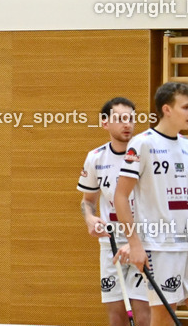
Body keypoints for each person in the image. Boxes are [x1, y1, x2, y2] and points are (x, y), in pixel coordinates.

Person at [116, 82, 188, 326]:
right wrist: (134, 244)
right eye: (186, 107)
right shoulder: (142, 143)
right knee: (164, 317)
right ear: (167, 109)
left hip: (186, 242)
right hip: (161, 246)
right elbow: (120, 196)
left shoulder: (187, 146)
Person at [78, 97, 151, 326]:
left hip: (145, 241)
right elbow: (87, 200)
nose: (127, 124)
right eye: (120, 119)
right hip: (111, 245)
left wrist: (136, 240)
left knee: (144, 314)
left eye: (130, 118)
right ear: (105, 123)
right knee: (116, 316)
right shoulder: (96, 158)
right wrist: (90, 218)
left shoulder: (147, 154)